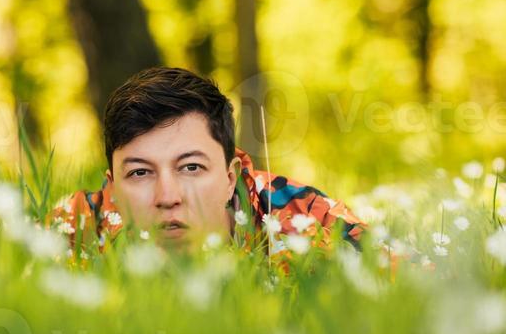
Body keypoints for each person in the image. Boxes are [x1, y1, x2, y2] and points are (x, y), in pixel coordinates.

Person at [50, 67, 365, 266]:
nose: (168, 196)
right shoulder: (78, 227)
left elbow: (403, 278)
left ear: (230, 178)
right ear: (114, 188)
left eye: (190, 168)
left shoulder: (302, 217)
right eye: (140, 172)